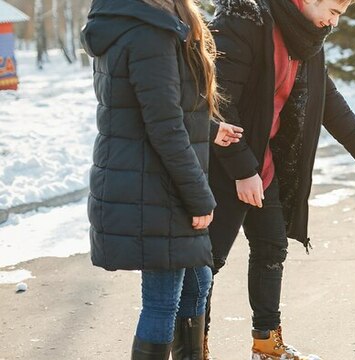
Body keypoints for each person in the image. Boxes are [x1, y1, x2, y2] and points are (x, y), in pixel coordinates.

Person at [206, 0, 355, 358]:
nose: (333, 22)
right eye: (333, 12)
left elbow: (327, 99)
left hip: (265, 162)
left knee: (272, 246)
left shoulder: (306, 37)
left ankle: (266, 343)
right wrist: (243, 170)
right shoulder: (244, 21)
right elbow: (218, 98)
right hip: (223, 159)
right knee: (206, 261)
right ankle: (194, 346)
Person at [81, 0, 243, 358]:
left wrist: (208, 128)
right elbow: (164, 125)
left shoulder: (143, 20)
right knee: (163, 299)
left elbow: (154, 106)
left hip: (151, 177)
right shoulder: (149, 31)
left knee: (197, 282)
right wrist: (199, 197)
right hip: (152, 184)